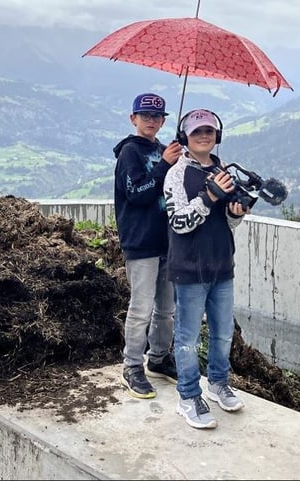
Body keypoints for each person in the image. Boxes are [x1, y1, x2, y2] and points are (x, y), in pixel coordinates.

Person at [163, 108, 250, 429]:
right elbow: (179, 222)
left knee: (223, 332)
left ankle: (217, 383)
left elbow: (227, 222)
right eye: (197, 132)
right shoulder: (176, 173)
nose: (204, 137)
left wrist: (237, 212)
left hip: (222, 265)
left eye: (209, 132)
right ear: (185, 136)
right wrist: (210, 195)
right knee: (187, 338)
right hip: (189, 269)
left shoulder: (221, 168)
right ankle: (187, 397)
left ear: (218, 136)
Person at [113, 92, 183, 399]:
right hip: (140, 242)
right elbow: (137, 192)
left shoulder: (162, 149)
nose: (152, 121)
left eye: (157, 117)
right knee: (141, 308)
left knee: (165, 309)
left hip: (166, 241)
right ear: (133, 119)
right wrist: (163, 165)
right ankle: (132, 365)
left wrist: (176, 164)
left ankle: (158, 358)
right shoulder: (130, 151)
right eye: (146, 116)